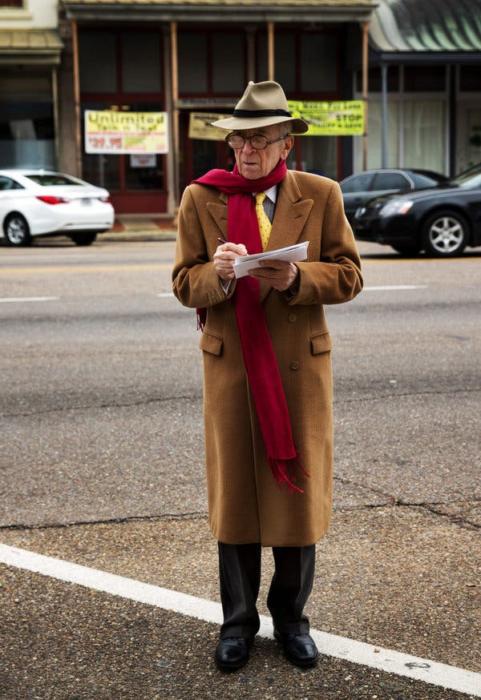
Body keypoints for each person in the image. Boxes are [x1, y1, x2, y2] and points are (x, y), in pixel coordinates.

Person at [172, 80, 362, 672]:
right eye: (239, 139)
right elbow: (184, 283)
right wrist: (220, 275)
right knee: (237, 500)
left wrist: (297, 281)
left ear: (286, 144)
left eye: (260, 139)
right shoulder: (200, 197)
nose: (247, 150)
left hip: (298, 371)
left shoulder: (321, 193)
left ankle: (292, 622)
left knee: (295, 502)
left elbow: (350, 275)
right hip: (232, 369)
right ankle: (236, 625)